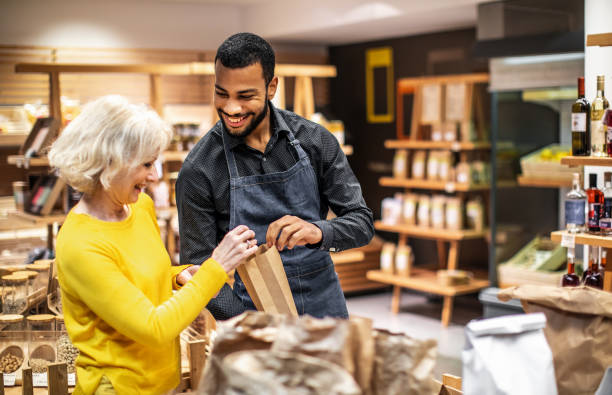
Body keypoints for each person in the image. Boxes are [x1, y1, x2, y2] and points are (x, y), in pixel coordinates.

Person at [48, 95, 258, 395]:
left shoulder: (140, 207)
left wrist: (178, 276)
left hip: (160, 382)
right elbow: (154, 328)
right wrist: (216, 267)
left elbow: (136, 277)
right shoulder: (81, 245)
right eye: (146, 164)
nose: (154, 175)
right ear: (110, 163)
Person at [176, 32, 374, 320]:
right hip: (253, 317)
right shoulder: (201, 169)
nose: (232, 108)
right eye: (222, 93)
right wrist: (246, 321)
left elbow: (362, 223)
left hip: (325, 312)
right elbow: (197, 270)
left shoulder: (314, 141)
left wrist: (317, 231)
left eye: (245, 96)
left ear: (271, 87)